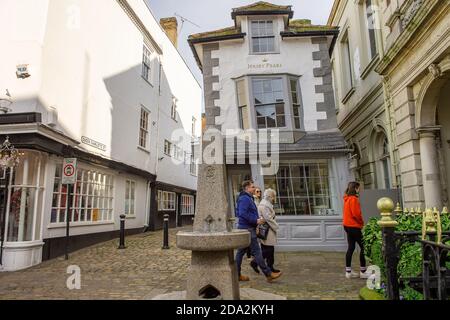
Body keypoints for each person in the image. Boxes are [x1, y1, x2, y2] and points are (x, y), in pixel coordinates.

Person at [235, 180, 282, 283]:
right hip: (247, 229)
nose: (254, 188)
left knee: (240, 252)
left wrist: (255, 223)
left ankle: (236, 274)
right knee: (257, 252)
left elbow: (241, 212)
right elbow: (241, 213)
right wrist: (255, 220)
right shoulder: (244, 199)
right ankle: (268, 274)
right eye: (252, 187)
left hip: (247, 228)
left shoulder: (247, 198)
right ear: (247, 188)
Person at [343, 181, 369, 279]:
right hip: (353, 226)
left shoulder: (347, 199)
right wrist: (362, 223)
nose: (360, 190)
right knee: (364, 247)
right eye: (359, 188)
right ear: (355, 189)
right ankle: (363, 272)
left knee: (351, 247)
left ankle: (348, 272)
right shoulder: (353, 199)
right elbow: (356, 214)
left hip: (347, 225)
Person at [258, 188, 280, 273]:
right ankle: (255, 262)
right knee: (269, 250)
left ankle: (270, 266)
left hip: (267, 229)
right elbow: (268, 219)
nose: (274, 198)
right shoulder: (264, 205)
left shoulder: (267, 204)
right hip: (267, 230)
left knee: (268, 249)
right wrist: (276, 227)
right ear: (270, 196)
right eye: (273, 196)